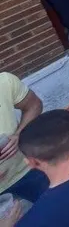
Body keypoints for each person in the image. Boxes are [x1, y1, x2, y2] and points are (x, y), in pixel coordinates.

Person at [0, 71, 45, 203]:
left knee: (61, 212)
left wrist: (19, 134)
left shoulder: (5, 81)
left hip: (26, 169)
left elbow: (34, 105)